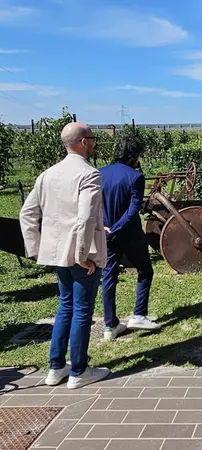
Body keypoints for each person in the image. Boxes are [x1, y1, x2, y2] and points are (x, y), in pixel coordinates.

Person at [19, 122, 110, 389]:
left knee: (65, 308)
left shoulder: (47, 175)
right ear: (83, 142)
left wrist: (37, 249)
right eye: (92, 138)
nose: (94, 142)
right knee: (82, 312)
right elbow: (84, 219)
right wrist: (82, 255)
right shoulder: (89, 174)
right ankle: (79, 370)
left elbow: (27, 213)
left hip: (57, 254)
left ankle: (56, 367)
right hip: (81, 257)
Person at [98, 137, 160, 341]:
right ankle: (139, 315)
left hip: (106, 234)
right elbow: (133, 211)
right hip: (130, 234)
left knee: (109, 277)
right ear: (134, 156)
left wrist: (106, 229)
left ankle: (109, 325)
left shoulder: (100, 173)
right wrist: (117, 229)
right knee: (145, 270)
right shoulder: (135, 177)